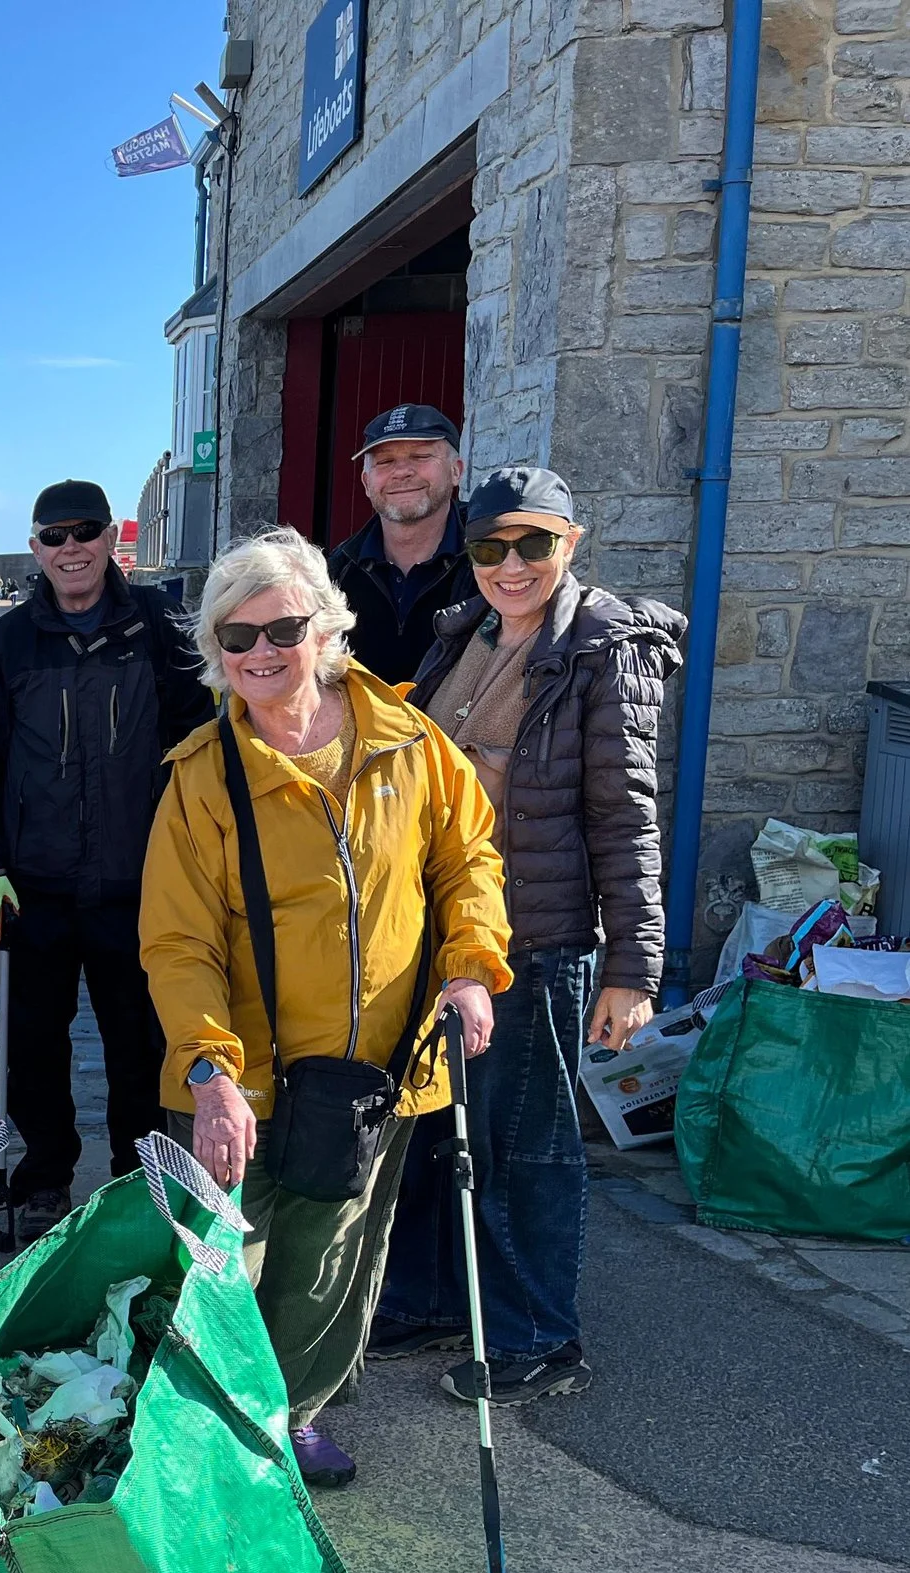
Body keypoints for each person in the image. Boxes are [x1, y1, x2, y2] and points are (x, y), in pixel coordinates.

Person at [139, 526, 511, 1489]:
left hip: (375, 1072)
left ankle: (289, 1419)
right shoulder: (201, 777)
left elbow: (466, 858)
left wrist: (470, 967)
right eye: (236, 636)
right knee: (228, 1266)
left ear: (326, 628)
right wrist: (210, 1072)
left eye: (283, 627)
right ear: (214, 652)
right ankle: (206, 1434)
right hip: (245, 1079)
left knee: (330, 1261)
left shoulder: (408, 740)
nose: (261, 652)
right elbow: (179, 942)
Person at [371, 467, 684, 1404]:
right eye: (490, 547)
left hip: (538, 940)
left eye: (533, 544)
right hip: (443, 940)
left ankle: (538, 1335)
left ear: (570, 544)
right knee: (435, 1131)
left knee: (524, 1144)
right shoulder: (460, 635)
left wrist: (633, 967)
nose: (512, 566)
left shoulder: (600, 649)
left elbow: (626, 816)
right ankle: (432, 1300)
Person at [0, 480, 212, 1234]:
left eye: (85, 532)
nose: (71, 548)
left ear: (110, 541)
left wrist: (195, 863)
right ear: (35, 548)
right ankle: (43, 1177)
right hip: (31, 888)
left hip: (141, 888)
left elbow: (200, 749)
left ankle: (139, 1182)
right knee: (33, 1047)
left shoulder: (162, 629)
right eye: (54, 535)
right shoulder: (8, 643)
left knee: (141, 1045)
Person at [326, 403, 472, 685]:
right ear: (367, 483)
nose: (402, 471)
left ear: (456, 471)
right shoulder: (335, 574)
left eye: (420, 456)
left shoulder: (492, 561)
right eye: (385, 461)